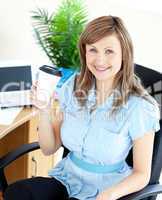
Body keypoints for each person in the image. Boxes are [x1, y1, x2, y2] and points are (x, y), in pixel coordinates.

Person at [4, 15, 160, 200]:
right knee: (18, 194)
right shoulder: (73, 86)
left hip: (107, 188)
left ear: (124, 54)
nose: (100, 60)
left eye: (109, 51)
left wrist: (111, 194)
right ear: (85, 52)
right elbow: (49, 148)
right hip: (67, 179)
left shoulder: (140, 108)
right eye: (93, 50)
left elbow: (142, 175)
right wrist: (44, 110)